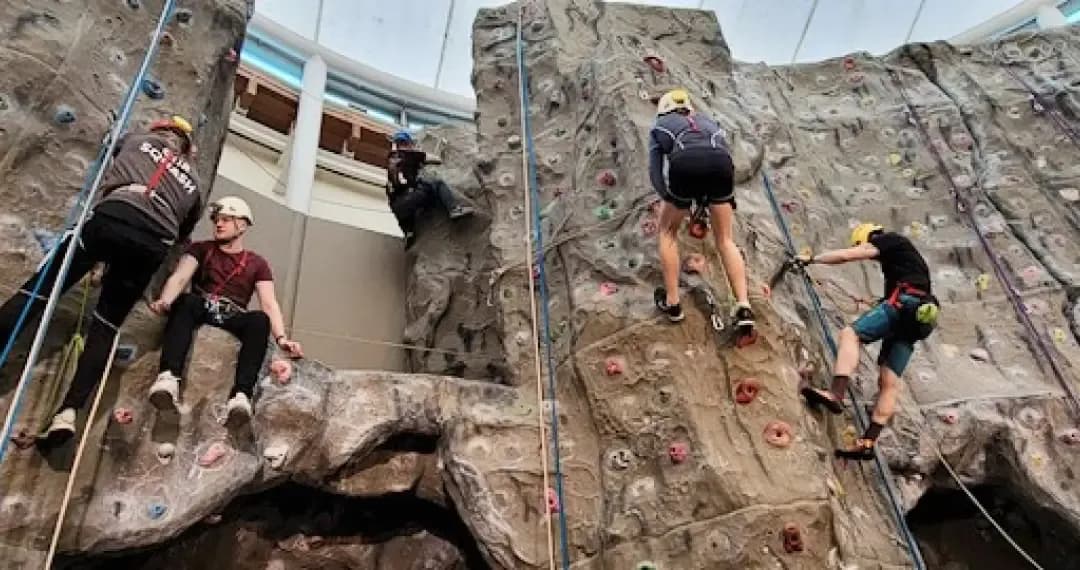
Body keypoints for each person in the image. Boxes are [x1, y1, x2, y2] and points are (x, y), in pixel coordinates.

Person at [0, 116, 204, 445]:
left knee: (40, 291)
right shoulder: (194, 179)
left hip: (115, 215)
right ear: (188, 148)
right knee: (106, 326)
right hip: (153, 243)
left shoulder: (138, 140)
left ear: (159, 131)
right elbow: (183, 232)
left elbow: (113, 147)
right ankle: (68, 412)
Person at [147, 196, 303, 427]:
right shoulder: (201, 249)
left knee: (259, 320)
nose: (218, 224)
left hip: (234, 314)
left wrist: (282, 339)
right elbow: (181, 276)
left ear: (241, 226)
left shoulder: (256, 263)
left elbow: (269, 303)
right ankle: (169, 378)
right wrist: (165, 300)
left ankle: (241, 395)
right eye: (217, 220)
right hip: (203, 306)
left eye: (226, 220)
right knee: (187, 302)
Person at [795, 223, 939, 460]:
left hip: (905, 303)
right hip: (920, 318)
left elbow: (847, 255)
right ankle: (868, 441)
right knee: (889, 381)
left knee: (851, 335)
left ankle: (836, 393)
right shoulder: (904, 261)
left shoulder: (891, 240)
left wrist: (812, 260)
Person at [648, 88, 753, 334]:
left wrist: (670, 198)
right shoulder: (708, 121)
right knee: (725, 239)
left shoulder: (660, 126)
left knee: (668, 233)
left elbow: (655, 171)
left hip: (685, 165)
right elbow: (723, 156)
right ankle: (744, 306)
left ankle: (673, 303)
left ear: (663, 109)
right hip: (722, 167)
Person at [386, 130, 473, 248]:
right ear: (409, 143)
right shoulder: (411, 154)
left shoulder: (391, 161)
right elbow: (436, 159)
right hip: (413, 196)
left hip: (397, 207)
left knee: (404, 207)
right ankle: (454, 209)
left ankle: (409, 233)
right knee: (436, 183)